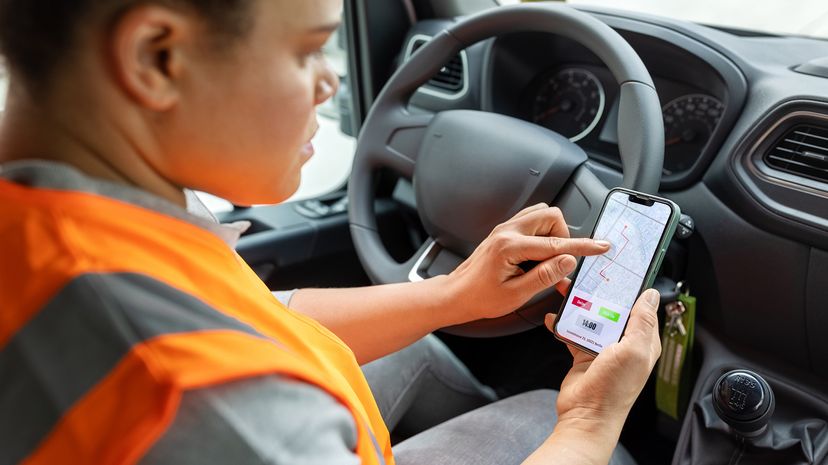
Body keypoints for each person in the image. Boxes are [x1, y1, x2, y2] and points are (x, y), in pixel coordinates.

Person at [0, 0, 662, 464]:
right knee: (539, 414)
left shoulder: (68, 211)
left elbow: (258, 316)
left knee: (430, 350)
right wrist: (589, 421)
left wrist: (454, 295)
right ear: (157, 57)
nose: (333, 81)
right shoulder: (196, 394)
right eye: (310, 49)